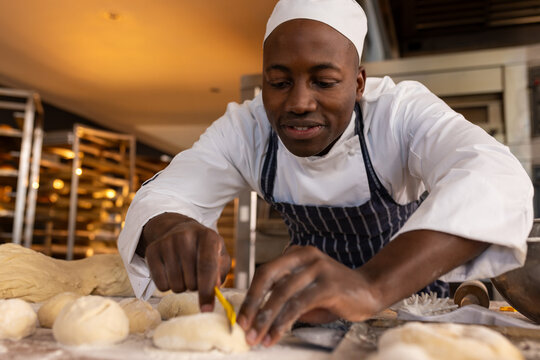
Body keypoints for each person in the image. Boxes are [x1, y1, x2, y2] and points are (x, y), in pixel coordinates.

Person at [118, 0, 534, 348]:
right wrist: (168, 226)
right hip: (303, 322)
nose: (299, 101)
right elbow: (168, 194)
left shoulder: (399, 114)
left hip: (412, 322)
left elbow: (493, 176)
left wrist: (370, 285)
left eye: (324, 81)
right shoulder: (245, 129)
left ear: (358, 83)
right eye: (279, 82)